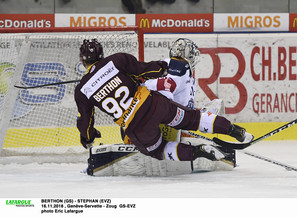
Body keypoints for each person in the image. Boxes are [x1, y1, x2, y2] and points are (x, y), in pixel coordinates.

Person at [75, 38, 252, 163]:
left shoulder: (82, 90)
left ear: (83, 62)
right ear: (102, 54)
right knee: (192, 118)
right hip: (155, 104)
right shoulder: (117, 60)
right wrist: (164, 67)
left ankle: (197, 152)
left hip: (137, 126)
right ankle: (236, 130)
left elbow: (85, 122)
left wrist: (89, 137)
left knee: (159, 150)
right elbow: (144, 70)